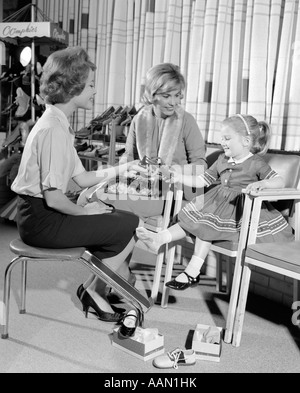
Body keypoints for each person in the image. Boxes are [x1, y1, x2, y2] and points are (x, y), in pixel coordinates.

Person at [11, 46, 143, 322]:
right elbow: (54, 199)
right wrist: (86, 212)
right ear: (73, 88)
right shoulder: (53, 130)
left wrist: (125, 167)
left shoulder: (56, 123)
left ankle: (96, 289)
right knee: (127, 224)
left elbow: (82, 178)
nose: (95, 91)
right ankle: (94, 291)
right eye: (91, 85)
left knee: (125, 223)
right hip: (41, 222)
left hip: (40, 215)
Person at [136, 114, 294, 290]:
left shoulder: (256, 163)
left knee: (206, 224)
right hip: (217, 204)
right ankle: (160, 239)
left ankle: (192, 271)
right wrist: (178, 177)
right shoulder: (222, 160)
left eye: (227, 138)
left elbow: (279, 181)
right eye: (221, 139)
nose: (222, 142)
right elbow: (202, 180)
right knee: (192, 218)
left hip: (240, 211)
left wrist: (263, 184)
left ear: (246, 141)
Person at [99, 62, 207, 218]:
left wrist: (173, 170)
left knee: (114, 205)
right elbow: (129, 157)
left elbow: (201, 166)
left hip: (175, 193)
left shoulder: (187, 121)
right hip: (144, 187)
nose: (173, 102)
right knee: (94, 194)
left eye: (177, 95)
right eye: (166, 96)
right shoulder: (138, 119)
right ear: (152, 95)